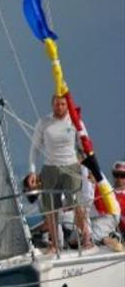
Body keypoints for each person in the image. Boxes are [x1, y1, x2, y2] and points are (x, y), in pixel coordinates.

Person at [26, 95, 89, 253]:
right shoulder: (44, 122)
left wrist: (88, 167)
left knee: (76, 204)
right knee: (51, 208)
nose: (59, 107)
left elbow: (85, 144)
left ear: (67, 105)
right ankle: (55, 245)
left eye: (62, 104)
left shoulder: (74, 121)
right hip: (50, 168)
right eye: (56, 104)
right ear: (52, 105)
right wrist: (32, 171)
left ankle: (87, 238)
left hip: (71, 167)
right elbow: (34, 148)